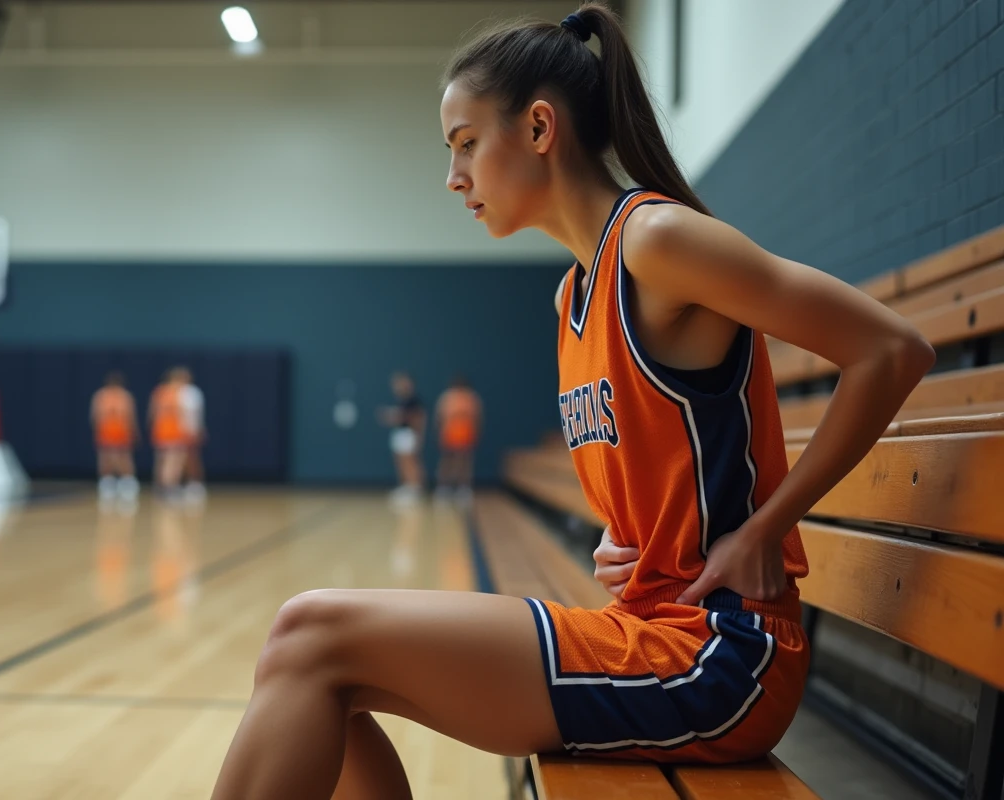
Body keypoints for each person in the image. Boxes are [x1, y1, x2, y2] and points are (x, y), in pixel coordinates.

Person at [210, 5, 935, 798]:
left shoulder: (658, 242)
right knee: (319, 665)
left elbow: (892, 351)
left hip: (723, 654)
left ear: (539, 127)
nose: (453, 178)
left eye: (465, 145)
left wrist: (768, 525)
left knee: (309, 634)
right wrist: (624, 544)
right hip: (650, 630)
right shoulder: (572, 298)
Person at [91, 371, 140, 504]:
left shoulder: (107, 396)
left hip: (117, 431)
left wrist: (133, 431)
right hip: (111, 431)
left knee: (117, 457)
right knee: (110, 457)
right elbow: (97, 416)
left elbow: (96, 417)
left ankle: (124, 483)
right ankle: (112, 484)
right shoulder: (107, 396)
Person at [377, 371, 427, 506]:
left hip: (409, 434)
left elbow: (416, 418)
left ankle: (415, 489)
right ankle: (406, 487)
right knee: (401, 462)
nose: (397, 386)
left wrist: (418, 436)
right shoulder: (402, 400)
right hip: (400, 434)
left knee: (410, 462)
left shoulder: (414, 400)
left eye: (401, 382)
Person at [434, 373, 483, 502]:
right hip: (449, 432)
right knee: (448, 460)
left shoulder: (471, 398)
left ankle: (463, 487)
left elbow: (477, 417)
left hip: (466, 433)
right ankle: (444, 487)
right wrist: (439, 432)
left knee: (464, 461)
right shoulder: (446, 397)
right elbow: (439, 417)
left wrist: (476, 433)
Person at [149, 369, 189, 498]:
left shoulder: (159, 392)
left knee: (161, 460)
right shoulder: (179, 393)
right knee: (173, 462)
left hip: (160, 431)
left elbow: (152, 414)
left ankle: (160, 487)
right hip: (174, 432)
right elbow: (183, 415)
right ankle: (169, 489)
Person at [177, 367, 208, 503]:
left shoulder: (193, 393)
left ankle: (195, 485)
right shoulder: (174, 393)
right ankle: (182, 484)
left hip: (191, 431)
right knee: (179, 460)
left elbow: (197, 414)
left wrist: (198, 429)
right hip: (177, 432)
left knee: (192, 458)